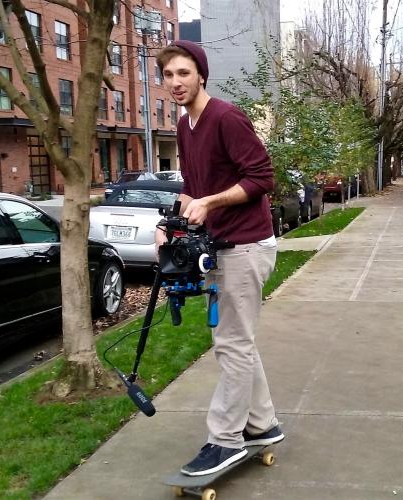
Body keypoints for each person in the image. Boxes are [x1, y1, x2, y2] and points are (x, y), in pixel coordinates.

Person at [155, 40, 284, 477]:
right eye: (169, 75)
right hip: (222, 246)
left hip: (248, 245)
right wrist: (171, 222)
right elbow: (192, 186)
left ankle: (225, 439)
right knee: (237, 340)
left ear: (201, 75)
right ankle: (261, 424)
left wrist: (210, 203)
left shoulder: (226, 118)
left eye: (183, 73)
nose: (175, 82)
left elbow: (262, 177)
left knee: (232, 343)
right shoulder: (185, 126)